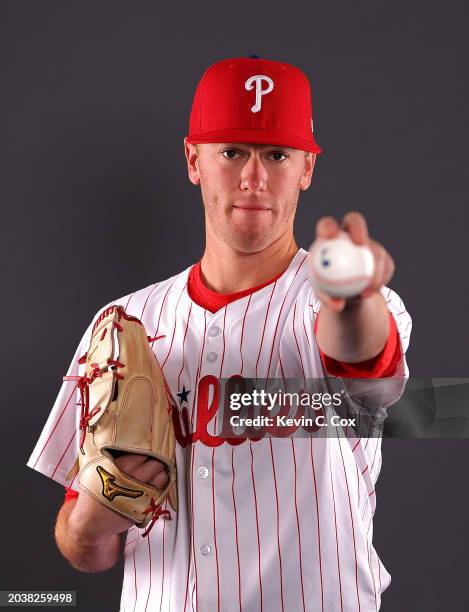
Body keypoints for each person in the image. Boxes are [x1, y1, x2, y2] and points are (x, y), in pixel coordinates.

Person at [28, 56, 411, 611]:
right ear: (193, 160)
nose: (253, 178)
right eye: (231, 152)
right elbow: (82, 545)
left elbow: (361, 354)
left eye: (276, 155)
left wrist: (352, 300)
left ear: (306, 168)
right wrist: (89, 522)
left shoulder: (355, 306)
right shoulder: (122, 323)